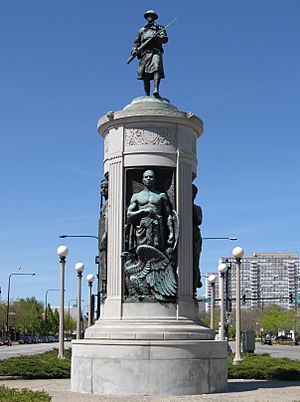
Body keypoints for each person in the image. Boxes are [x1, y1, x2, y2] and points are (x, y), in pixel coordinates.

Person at [127, 170, 174, 252]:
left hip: (157, 227)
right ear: (143, 180)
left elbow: (168, 215)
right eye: (146, 177)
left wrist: (171, 232)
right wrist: (142, 212)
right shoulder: (136, 196)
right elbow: (129, 215)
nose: (148, 178)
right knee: (142, 251)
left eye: (151, 176)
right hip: (142, 227)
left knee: (157, 252)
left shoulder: (161, 195)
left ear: (155, 179)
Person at [131, 10, 168, 97]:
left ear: (154, 17)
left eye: (151, 15)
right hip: (145, 54)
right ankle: (147, 95)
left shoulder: (159, 28)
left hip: (155, 51)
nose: (150, 17)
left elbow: (165, 39)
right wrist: (134, 51)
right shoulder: (142, 30)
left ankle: (156, 90)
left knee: (156, 67)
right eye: (148, 15)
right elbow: (136, 43)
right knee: (145, 75)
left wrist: (157, 38)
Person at [98, 178, 108, 299]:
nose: (103, 190)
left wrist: (105, 234)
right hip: (102, 242)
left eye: (105, 187)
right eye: (102, 187)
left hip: (106, 241)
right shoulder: (104, 204)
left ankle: (105, 289)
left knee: (105, 266)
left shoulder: (109, 204)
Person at [192, 184, 203, 294]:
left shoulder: (197, 208)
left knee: (194, 260)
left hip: (194, 236)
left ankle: (194, 283)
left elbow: (198, 220)